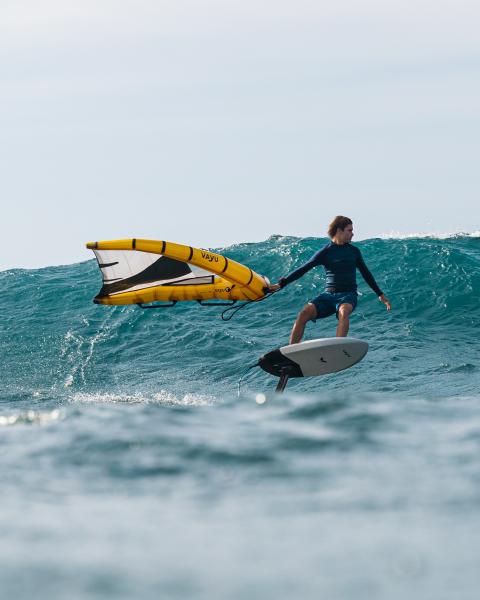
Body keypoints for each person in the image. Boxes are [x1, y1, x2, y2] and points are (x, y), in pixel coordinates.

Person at [269, 216, 391, 343]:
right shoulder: (325, 252)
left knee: (344, 312)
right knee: (304, 313)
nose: (353, 234)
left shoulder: (354, 251)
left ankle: (337, 348)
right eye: (349, 230)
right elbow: (303, 269)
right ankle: (291, 351)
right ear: (339, 230)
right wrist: (281, 284)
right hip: (328, 295)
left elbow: (366, 273)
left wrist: (380, 294)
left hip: (348, 295)